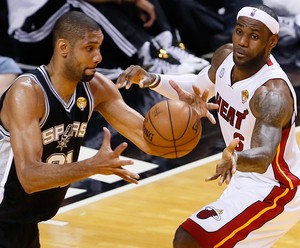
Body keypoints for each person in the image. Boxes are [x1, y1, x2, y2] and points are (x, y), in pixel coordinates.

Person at [0, 11, 217, 247]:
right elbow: (29, 177)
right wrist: (92, 166)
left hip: (22, 219)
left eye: (99, 48)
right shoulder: (27, 93)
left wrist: (190, 118)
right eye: (90, 48)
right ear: (64, 48)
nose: (99, 57)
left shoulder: (97, 88)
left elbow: (152, 142)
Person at [117, 4, 300, 247]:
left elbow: (264, 155)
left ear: (272, 41)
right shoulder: (225, 58)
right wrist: (152, 80)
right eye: (239, 32)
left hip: (275, 189)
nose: (242, 42)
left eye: (254, 36)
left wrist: (234, 159)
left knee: (190, 239)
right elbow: (195, 86)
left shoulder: (271, 93)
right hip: (243, 181)